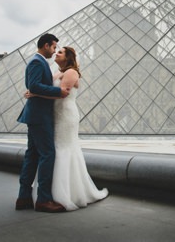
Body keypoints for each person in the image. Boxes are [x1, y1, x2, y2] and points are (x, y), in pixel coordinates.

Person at [27, 46, 108, 211]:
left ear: (68, 57)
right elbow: (46, 88)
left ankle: (65, 194)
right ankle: (50, 194)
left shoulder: (71, 72)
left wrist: (34, 93)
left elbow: (61, 93)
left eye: (60, 52)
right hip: (55, 115)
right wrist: (34, 91)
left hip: (66, 115)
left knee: (63, 150)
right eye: (56, 50)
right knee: (55, 151)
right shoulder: (56, 72)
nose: (57, 53)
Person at [15, 33, 69, 213]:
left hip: (36, 115)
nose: (54, 52)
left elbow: (33, 87)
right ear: (46, 45)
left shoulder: (38, 62)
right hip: (39, 116)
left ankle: (24, 197)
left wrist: (35, 91)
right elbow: (34, 85)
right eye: (54, 47)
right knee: (47, 154)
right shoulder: (38, 62)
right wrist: (58, 91)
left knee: (32, 155)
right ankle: (43, 199)